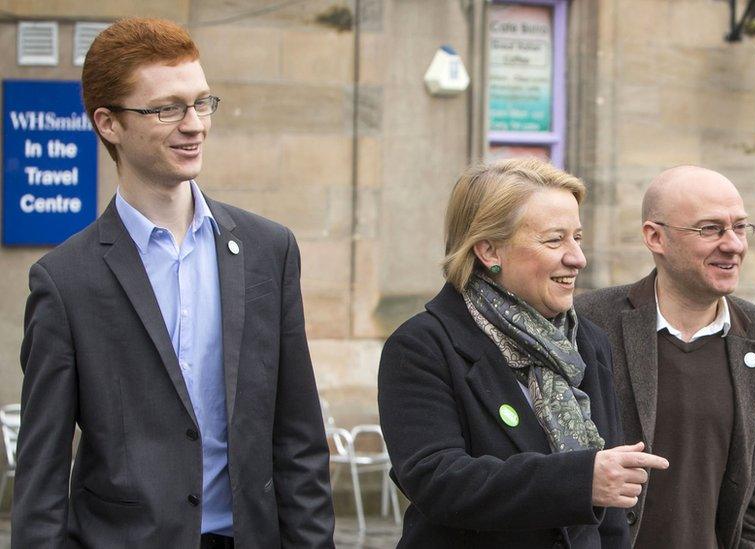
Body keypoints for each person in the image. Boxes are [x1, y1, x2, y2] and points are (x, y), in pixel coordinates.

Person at [13, 18, 334, 548]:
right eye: (167, 108)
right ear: (109, 124)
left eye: (202, 102)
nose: (195, 124)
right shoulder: (65, 280)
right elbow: (41, 472)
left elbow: (298, 438)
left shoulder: (268, 250)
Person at [377, 158, 668, 548]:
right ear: (489, 251)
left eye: (577, 238)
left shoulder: (586, 342)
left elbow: (610, 512)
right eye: (554, 240)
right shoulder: (424, 345)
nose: (577, 258)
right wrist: (580, 480)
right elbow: (437, 480)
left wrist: (596, 484)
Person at [575, 165, 755, 548]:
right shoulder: (589, 325)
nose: (733, 244)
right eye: (710, 229)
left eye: (740, 227)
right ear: (655, 237)